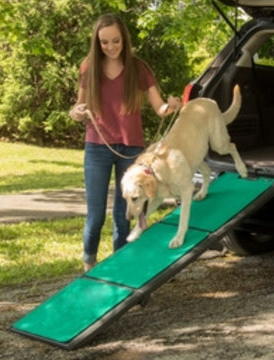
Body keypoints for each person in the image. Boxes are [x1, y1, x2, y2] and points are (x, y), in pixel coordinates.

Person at [69, 13, 181, 271]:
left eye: (115, 41)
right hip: (97, 148)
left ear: (124, 40)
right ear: (97, 42)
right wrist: (76, 113)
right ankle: (89, 268)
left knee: (124, 215)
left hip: (131, 150)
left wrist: (171, 106)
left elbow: (159, 107)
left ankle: (121, 269)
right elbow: (78, 107)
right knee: (95, 216)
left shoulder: (138, 68)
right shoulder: (89, 67)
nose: (110, 47)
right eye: (104, 42)